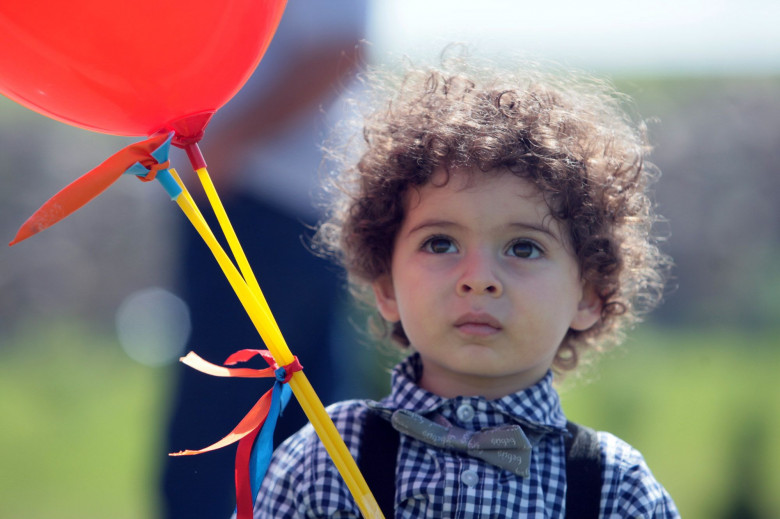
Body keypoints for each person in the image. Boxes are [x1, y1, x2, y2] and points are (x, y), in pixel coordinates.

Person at [249, 55, 679, 517]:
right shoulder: (323, 461)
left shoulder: (616, 489)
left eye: (524, 248)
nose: (478, 279)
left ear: (589, 294)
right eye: (440, 243)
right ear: (386, 286)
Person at [160, 2, 368, 518]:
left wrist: (227, 143)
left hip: (267, 202)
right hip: (263, 199)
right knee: (295, 416)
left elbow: (338, 51)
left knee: (223, 419)